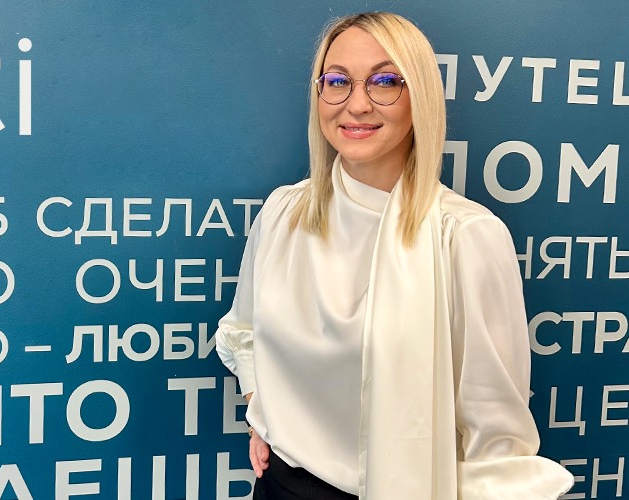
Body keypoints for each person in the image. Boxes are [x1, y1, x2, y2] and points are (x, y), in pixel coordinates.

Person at [215, 12, 574, 500]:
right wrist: (265, 414)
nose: (357, 104)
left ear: (418, 97)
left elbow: (497, 443)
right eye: (337, 81)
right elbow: (244, 331)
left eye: (384, 82)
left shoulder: (465, 237)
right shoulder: (283, 213)